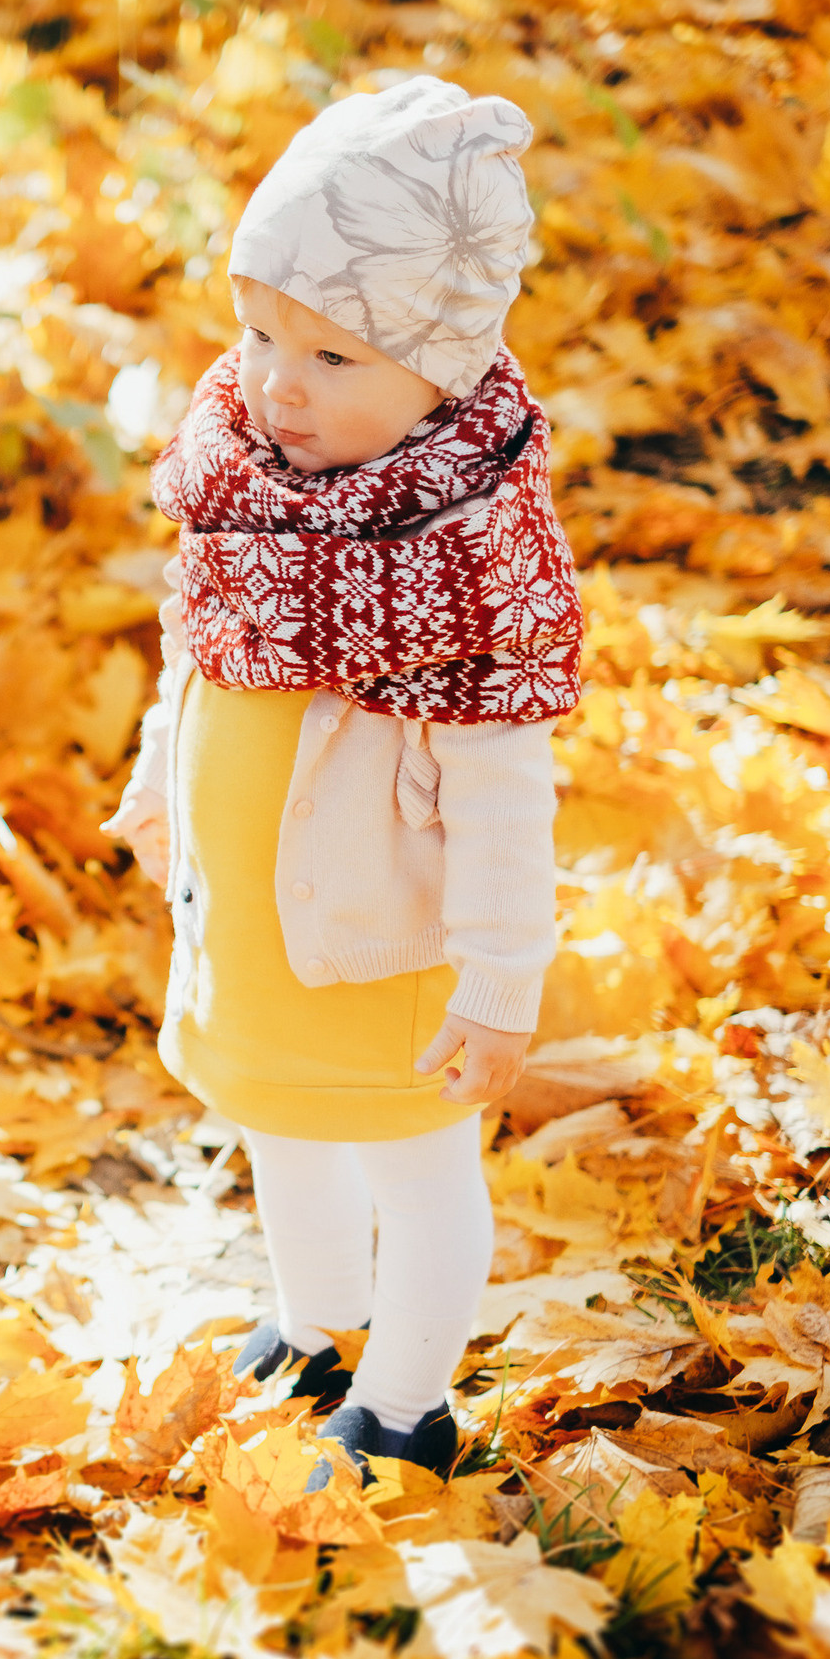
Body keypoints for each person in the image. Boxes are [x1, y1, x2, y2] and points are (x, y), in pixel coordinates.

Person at [102, 76, 584, 1490]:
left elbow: (504, 797)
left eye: (332, 354)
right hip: (252, 931)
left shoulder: (471, 558)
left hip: (387, 953)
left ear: (441, 372)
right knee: (280, 1128)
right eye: (259, 334)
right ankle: (317, 1322)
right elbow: (194, 649)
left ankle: (406, 1399)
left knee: (415, 1168)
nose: (279, 384)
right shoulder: (239, 481)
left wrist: (500, 980)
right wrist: (160, 780)